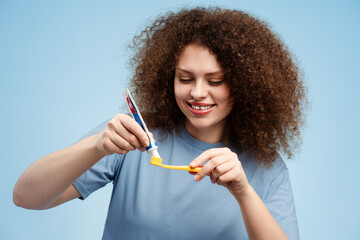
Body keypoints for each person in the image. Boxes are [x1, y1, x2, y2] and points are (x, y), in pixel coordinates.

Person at [13, 7, 307, 240]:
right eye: (185, 78)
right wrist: (97, 145)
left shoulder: (268, 169)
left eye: (215, 81)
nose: (197, 92)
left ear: (245, 85)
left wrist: (243, 191)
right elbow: (25, 197)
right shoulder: (131, 136)